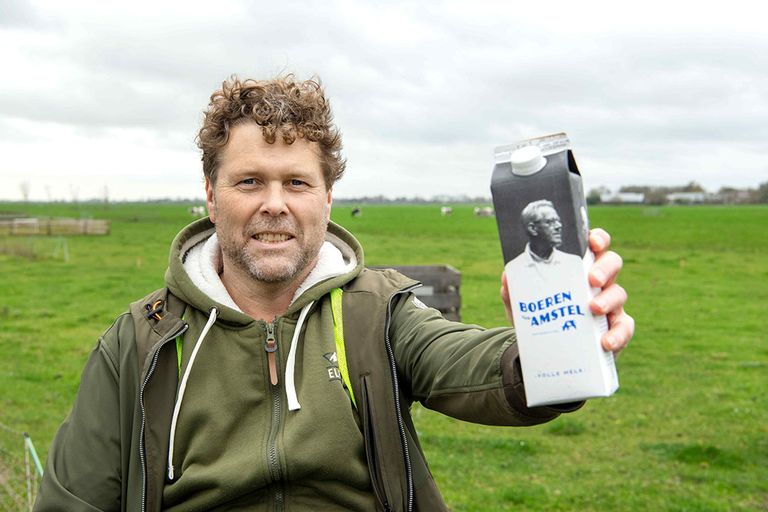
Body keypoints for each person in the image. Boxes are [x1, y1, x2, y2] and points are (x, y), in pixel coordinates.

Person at [35, 75, 634, 512]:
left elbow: (468, 365)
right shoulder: (139, 342)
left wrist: (555, 341)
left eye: (297, 182)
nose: (275, 204)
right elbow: (71, 501)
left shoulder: (376, 312)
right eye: (249, 181)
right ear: (212, 196)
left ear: (326, 198)